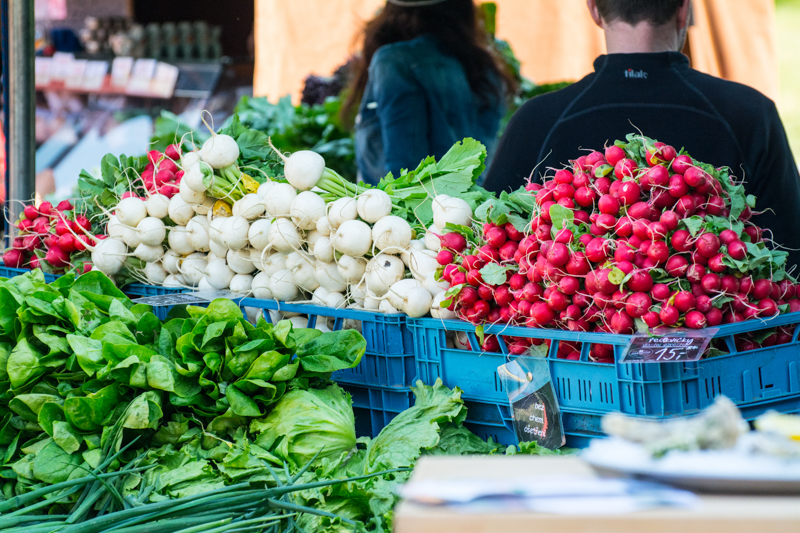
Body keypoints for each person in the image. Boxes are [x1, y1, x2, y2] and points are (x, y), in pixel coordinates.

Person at [483, 0, 800, 264]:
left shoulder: (537, 119)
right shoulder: (749, 112)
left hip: (567, 341)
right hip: (728, 339)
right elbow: (790, 251)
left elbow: (491, 245)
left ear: (594, 9)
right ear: (684, 11)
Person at [343, 0, 516, 185]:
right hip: (476, 207)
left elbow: (406, 172)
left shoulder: (395, 62)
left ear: (393, 12)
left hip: (416, 210)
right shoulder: (485, 68)